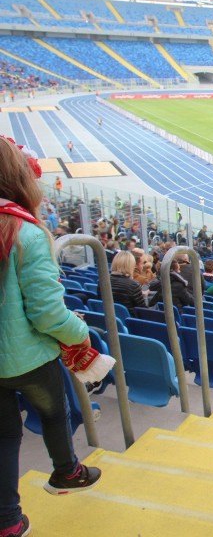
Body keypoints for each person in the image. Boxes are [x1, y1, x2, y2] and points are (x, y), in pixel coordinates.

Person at [0, 136, 102, 537]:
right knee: (55, 411)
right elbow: (45, 313)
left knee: (4, 434)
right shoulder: (24, 233)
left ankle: (7, 520)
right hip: (26, 358)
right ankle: (67, 472)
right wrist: (81, 332)